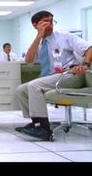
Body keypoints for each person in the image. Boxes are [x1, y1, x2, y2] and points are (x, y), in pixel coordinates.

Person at [15, 10, 92, 141]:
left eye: (51, 21)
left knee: (34, 85)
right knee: (21, 89)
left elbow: (89, 48)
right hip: (51, 77)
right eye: (45, 21)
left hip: (70, 75)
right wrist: (39, 36)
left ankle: (43, 129)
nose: (50, 24)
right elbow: (28, 60)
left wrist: (84, 64)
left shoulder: (65, 36)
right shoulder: (37, 42)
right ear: (35, 25)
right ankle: (36, 123)